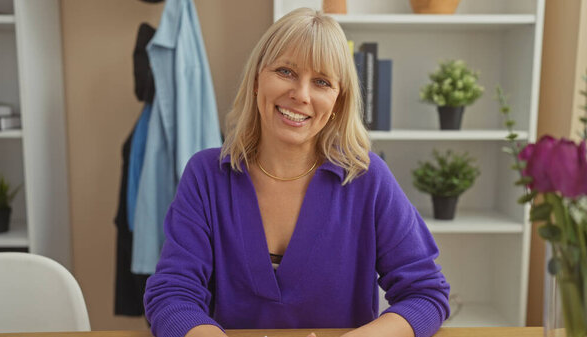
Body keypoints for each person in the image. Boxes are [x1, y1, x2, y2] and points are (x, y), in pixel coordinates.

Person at [144, 7, 450, 337]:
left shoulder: (368, 178)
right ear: (258, 78)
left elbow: (425, 294)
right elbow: (172, 295)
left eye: (321, 82)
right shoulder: (205, 175)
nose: (301, 95)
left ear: (337, 101)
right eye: (286, 71)